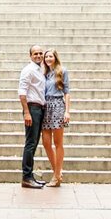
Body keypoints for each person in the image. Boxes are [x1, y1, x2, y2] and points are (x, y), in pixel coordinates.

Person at [18, 45, 47, 189]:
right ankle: (26, 177)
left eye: (41, 53)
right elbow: (22, 93)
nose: (39, 55)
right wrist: (27, 112)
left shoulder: (39, 70)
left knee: (34, 143)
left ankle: (30, 176)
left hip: (39, 109)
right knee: (30, 143)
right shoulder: (28, 70)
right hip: (32, 108)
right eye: (35, 53)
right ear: (30, 56)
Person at [41, 49, 71, 186]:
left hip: (58, 105)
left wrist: (67, 111)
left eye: (50, 56)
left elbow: (67, 93)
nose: (48, 58)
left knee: (58, 142)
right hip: (45, 106)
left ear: (55, 57)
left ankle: (56, 176)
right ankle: (57, 172)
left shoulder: (62, 71)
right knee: (46, 142)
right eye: (46, 56)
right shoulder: (44, 73)